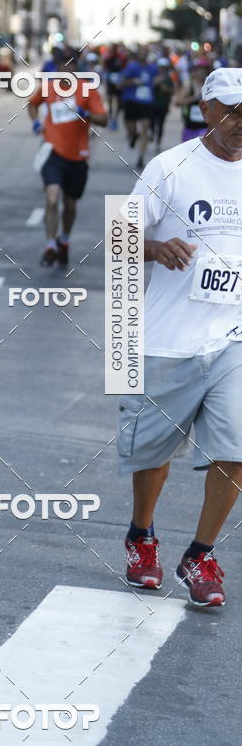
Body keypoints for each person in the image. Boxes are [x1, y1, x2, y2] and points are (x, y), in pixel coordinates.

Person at [117, 67, 242, 607]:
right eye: (231, 111)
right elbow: (119, 235)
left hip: (231, 337)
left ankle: (201, 553)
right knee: (153, 453)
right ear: (206, 111)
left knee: (236, 449)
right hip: (167, 337)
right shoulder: (171, 167)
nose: (240, 122)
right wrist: (155, 248)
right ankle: (141, 534)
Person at [28, 49, 108, 267]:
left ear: (77, 67)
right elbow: (32, 103)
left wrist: (87, 114)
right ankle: (50, 245)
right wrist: (36, 122)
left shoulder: (88, 90)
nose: (67, 68)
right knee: (52, 198)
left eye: (72, 64)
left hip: (77, 156)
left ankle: (64, 240)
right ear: (57, 66)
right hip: (52, 152)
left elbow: (104, 119)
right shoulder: (48, 87)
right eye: (63, 64)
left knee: (70, 205)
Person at [119, 46, 158, 169]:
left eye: (144, 52)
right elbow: (121, 83)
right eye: (140, 52)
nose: (142, 54)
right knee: (131, 128)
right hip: (132, 101)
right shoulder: (131, 67)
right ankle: (134, 135)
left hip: (147, 102)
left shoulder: (153, 67)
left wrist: (158, 81)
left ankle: (141, 156)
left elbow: (158, 78)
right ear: (137, 55)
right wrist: (133, 81)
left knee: (145, 127)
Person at [174, 59, 210, 142]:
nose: (202, 72)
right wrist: (194, 98)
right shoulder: (188, 84)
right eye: (199, 69)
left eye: (204, 69)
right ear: (194, 71)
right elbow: (178, 102)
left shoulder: (209, 85)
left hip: (205, 127)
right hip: (190, 127)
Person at [151, 57, 175, 150]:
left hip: (164, 105)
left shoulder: (169, 78)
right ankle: (152, 134)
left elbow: (173, 91)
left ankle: (158, 142)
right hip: (153, 104)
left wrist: (166, 89)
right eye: (161, 67)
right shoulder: (154, 76)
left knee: (160, 124)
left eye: (164, 67)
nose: (162, 69)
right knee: (151, 123)